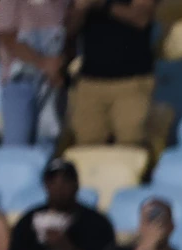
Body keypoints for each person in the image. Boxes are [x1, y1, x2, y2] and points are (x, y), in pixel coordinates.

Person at [67, 0, 156, 145]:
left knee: (130, 145)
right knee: (87, 147)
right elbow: (69, 30)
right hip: (90, 82)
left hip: (132, 82)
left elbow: (141, 18)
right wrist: (79, 9)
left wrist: (102, 4)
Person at [0, 0, 69, 146]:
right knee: (16, 147)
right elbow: (6, 37)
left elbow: (68, 33)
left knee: (47, 146)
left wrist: (59, 65)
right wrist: (43, 63)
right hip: (19, 84)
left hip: (52, 87)